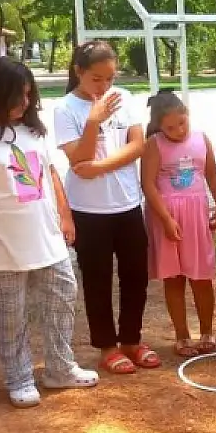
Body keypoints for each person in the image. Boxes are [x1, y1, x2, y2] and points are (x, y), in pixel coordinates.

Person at [0, 57, 99, 408]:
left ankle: (60, 368)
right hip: (1, 245)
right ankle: (19, 376)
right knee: (9, 315)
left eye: (29, 95)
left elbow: (50, 174)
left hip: (46, 238)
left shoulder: (34, 131)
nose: (24, 103)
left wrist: (65, 215)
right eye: (17, 96)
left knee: (62, 296)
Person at [54, 41, 158, 375]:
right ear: (79, 73)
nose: (105, 86)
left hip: (127, 203)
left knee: (135, 276)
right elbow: (76, 157)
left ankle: (131, 340)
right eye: (97, 79)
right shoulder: (65, 109)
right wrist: (93, 122)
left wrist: (98, 168)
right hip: (88, 209)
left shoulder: (125, 99)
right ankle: (107, 347)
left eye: (110, 78)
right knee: (97, 280)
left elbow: (138, 146)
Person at [140, 91, 216, 357]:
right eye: (169, 127)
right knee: (174, 279)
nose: (177, 131)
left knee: (201, 276)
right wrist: (165, 218)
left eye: (182, 123)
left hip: (196, 216)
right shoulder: (154, 144)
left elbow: (211, 174)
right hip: (167, 218)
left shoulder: (202, 139)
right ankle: (182, 335)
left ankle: (207, 331)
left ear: (188, 115)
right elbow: (148, 184)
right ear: (159, 126)